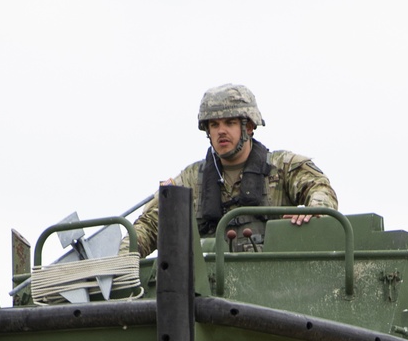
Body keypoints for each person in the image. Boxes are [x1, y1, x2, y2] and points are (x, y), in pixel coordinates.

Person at [131, 83, 337, 257]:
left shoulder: (282, 166)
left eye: (230, 123)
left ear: (248, 127)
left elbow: (320, 188)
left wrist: (314, 211)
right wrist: (125, 256)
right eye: (214, 124)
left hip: (275, 285)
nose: (221, 131)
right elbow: (150, 224)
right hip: (208, 291)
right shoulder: (191, 179)